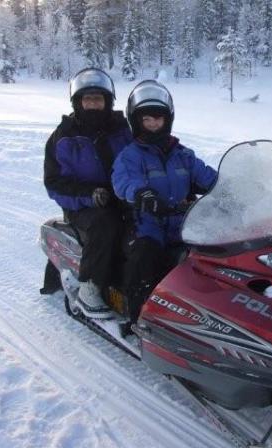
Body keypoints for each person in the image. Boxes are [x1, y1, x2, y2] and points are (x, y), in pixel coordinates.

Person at [112, 80, 217, 324]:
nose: (152, 124)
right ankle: (137, 317)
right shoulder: (130, 155)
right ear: (136, 121)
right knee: (145, 257)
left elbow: (208, 177)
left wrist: (233, 188)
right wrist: (142, 194)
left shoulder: (183, 155)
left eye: (157, 119)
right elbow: (124, 181)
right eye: (146, 119)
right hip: (146, 223)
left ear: (167, 119)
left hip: (185, 224)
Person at [44, 67, 133, 319]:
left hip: (123, 197)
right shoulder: (63, 137)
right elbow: (54, 183)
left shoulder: (123, 130)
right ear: (77, 102)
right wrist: (88, 194)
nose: (93, 104)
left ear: (107, 101)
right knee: (106, 221)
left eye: (98, 98)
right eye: (88, 98)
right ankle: (90, 288)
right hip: (83, 207)